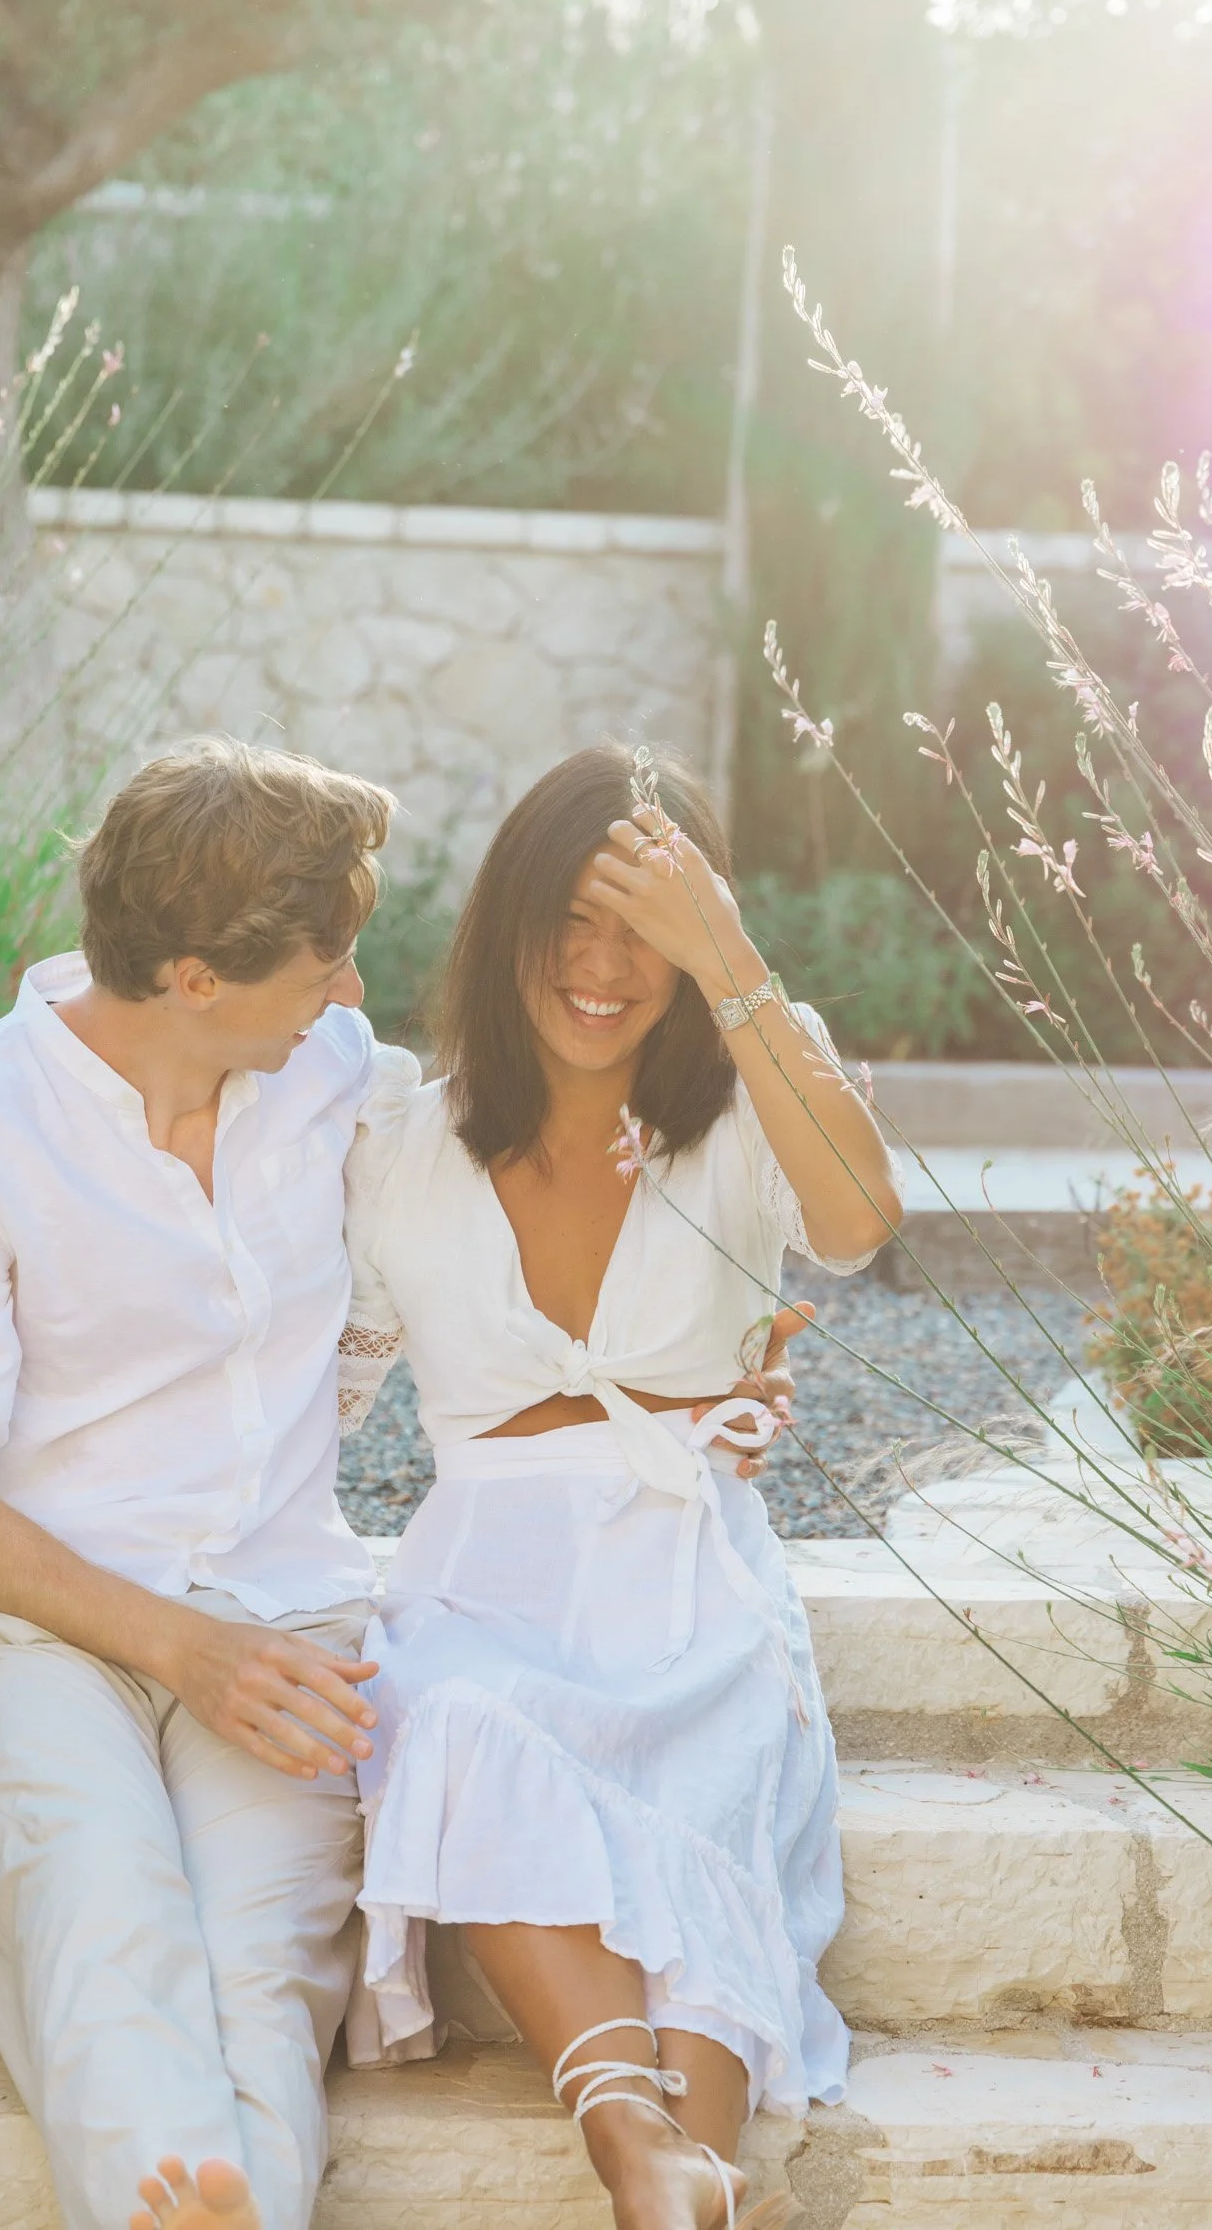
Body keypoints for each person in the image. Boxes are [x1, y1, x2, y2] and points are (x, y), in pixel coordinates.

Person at [0, 740, 402, 2230]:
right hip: (22, 1643)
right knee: (101, 1919)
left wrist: (707, 1378)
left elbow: (512, 1195)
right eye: (327, 963)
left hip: (281, 1619)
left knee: (256, 1967)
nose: (350, 993)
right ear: (196, 978)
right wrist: (177, 1648)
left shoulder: (333, 1077)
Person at [339, 744, 903, 2230]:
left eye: (641, 931)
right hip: (484, 1573)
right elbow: (302, 1400)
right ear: (501, 931)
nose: (602, 970)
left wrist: (730, 960)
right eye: (569, 925)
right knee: (452, 1718)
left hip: (687, 1557)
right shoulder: (400, 1143)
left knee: (709, 1771)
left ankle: (681, 2169)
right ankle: (642, 2152)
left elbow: (852, 1219)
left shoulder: (741, 1110)